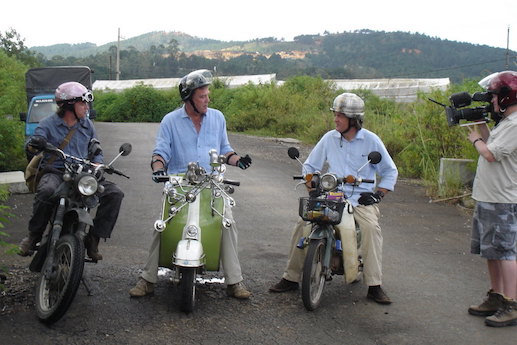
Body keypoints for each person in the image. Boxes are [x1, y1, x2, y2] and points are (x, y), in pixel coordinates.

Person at [129, 69, 253, 299]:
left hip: (211, 183)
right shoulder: (170, 121)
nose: (207, 100)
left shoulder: (217, 118)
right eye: (202, 96)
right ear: (189, 99)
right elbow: (161, 152)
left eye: (207, 95)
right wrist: (158, 169)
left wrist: (239, 160)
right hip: (179, 183)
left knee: (227, 223)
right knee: (162, 224)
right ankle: (147, 279)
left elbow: (225, 151)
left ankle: (235, 281)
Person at [269, 92, 398, 304]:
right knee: (302, 223)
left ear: (354, 119)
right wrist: (312, 189)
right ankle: (291, 277)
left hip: (360, 200)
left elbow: (389, 171)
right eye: (335, 114)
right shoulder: (329, 138)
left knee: (371, 229)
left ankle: (374, 284)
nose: (335, 119)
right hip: (332, 196)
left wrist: (378, 195)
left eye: (340, 115)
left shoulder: (371, 141)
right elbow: (310, 167)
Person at [18, 82, 124, 261]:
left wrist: (98, 164)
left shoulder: (87, 125)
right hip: (57, 171)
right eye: (82, 103)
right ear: (68, 105)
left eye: (86, 103)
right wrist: (34, 144)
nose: (86, 107)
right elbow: (32, 144)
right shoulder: (48, 124)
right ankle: (34, 235)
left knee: (114, 193)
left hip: (83, 173)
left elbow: (95, 149)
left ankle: (93, 239)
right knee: (46, 191)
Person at [466, 70, 517, 327]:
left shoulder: (516, 124)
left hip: (503, 198)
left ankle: (512, 303)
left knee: (506, 252)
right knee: (492, 252)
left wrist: (475, 140)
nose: (492, 101)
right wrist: (480, 125)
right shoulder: (506, 123)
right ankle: (496, 295)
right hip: (489, 196)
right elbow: (491, 144)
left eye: (495, 96)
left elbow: (490, 154)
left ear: (507, 97)